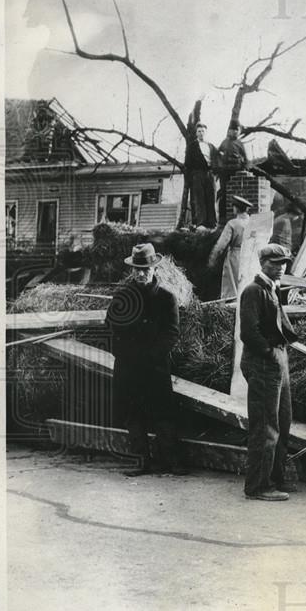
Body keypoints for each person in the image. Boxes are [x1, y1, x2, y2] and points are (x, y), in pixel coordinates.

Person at [108, 243, 187, 477]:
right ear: (132, 271)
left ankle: (170, 460)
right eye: (137, 270)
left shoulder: (166, 298)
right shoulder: (122, 297)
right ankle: (141, 461)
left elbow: (172, 332)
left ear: (155, 270)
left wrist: (152, 356)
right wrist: (125, 354)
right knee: (133, 414)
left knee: (163, 412)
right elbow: (111, 329)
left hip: (155, 366)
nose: (141, 274)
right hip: (128, 366)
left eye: (146, 269)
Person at [239, 244, 299, 502]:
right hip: (264, 363)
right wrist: (269, 353)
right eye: (275, 263)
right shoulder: (253, 291)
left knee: (283, 422)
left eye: (284, 263)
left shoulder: (272, 289)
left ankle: (275, 477)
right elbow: (249, 333)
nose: (280, 267)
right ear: (262, 263)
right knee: (265, 426)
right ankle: (258, 486)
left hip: (278, 361)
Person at [208, 195, 253, 299]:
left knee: (232, 286)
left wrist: (212, 260)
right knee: (246, 283)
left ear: (236, 208)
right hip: (250, 257)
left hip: (235, 257)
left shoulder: (233, 224)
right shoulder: (252, 223)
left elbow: (221, 245)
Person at [185, 122, 219, 228]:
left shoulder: (212, 147)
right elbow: (188, 163)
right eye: (199, 131)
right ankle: (201, 223)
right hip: (197, 174)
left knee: (211, 197)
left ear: (206, 132)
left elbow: (217, 160)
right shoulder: (192, 146)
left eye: (203, 131)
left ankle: (212, 223)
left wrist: (215, 172)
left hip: (210, 174)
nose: (201, 133)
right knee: (200, 199)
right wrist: (191, 178)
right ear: (196, 133)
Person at [217, 120, 249, 223]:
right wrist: (219, 167)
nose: (234, 132)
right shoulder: (224, 142)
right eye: (232, 130)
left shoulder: (239, 144)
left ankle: (236, 217)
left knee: (236, 194)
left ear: (239, 131)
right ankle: (222, 218)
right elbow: (217, 155)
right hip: (225, 172)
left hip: (236, 172)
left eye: (236, 130)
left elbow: (246, 159)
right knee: (224, 194)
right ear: (229, 131)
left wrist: (244, 169)